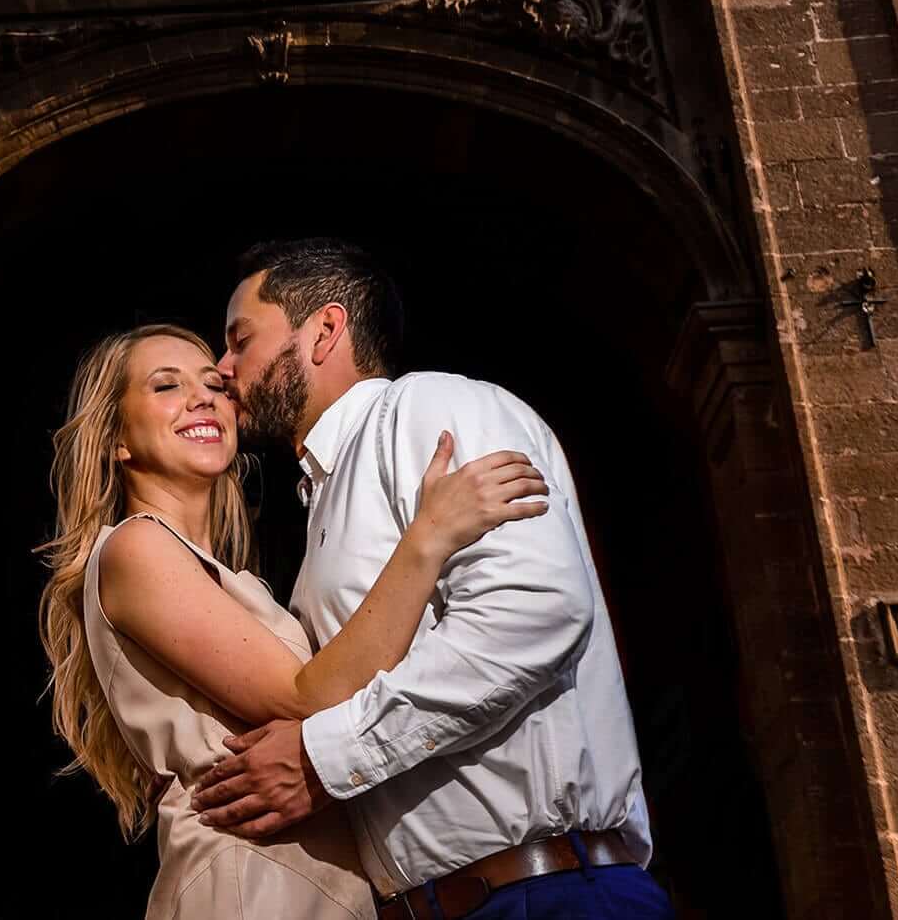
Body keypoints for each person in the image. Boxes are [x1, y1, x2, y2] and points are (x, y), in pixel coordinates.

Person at [195, 238, 673, 919]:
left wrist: (325, 759)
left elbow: (532, 611)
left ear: (325, 329)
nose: (223, 367)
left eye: (240, 339)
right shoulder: (322, 503)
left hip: (545, 893)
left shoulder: (428, 409)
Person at [38, 322, 550, 918]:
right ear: (116, 440)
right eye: (165, 387)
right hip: (251, 880)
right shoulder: (135, 549)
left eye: (213, 384)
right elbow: (307, 698)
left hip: (314, 879)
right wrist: (430, 535)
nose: (204, 396)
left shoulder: (234, 580)